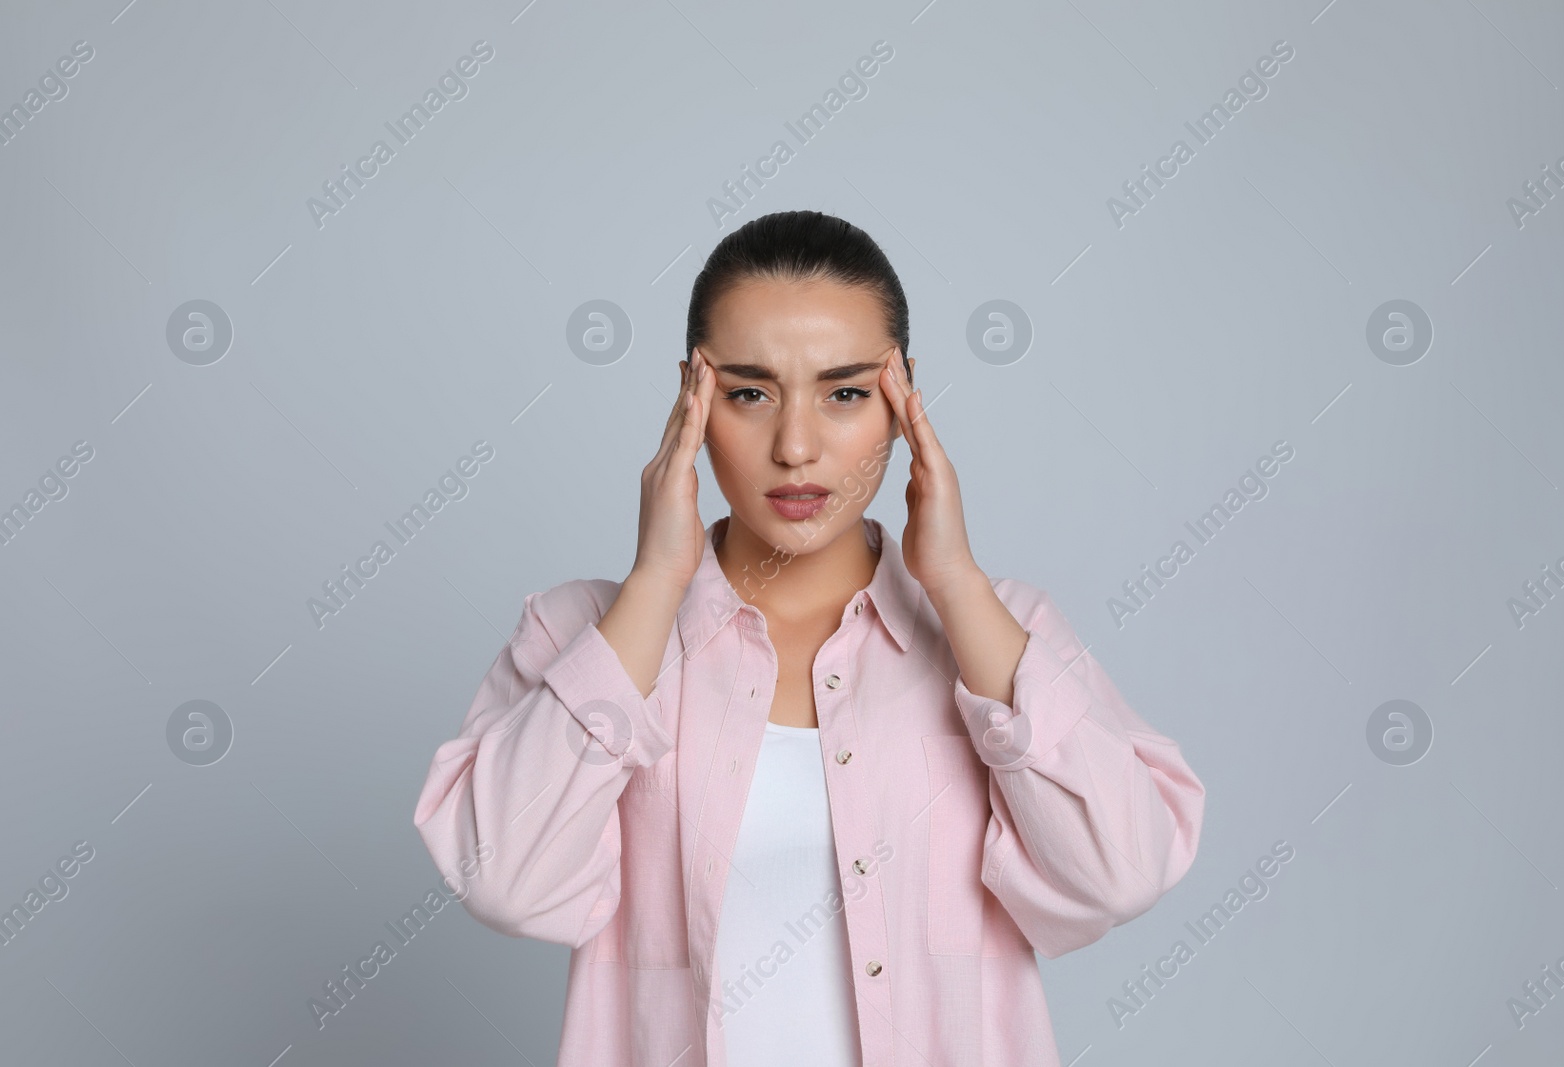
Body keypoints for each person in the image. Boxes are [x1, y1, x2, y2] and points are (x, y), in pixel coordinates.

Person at [413, 209, 1205, 1066]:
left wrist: (957, 585)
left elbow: (1121, 870)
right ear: (692, 397)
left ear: (904, 401)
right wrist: (652, 586)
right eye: (750, 392)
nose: (796, 446)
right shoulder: (583, 634)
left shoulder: (1000, 634)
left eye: (846, 393)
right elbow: (501, 879)